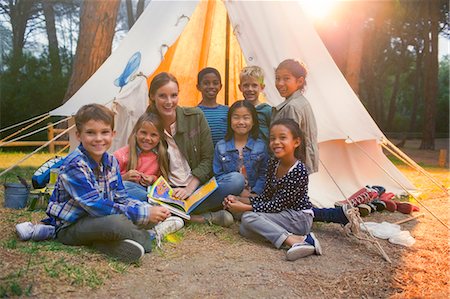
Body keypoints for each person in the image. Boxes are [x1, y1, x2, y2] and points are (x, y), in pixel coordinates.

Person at [44, 104, 183, 263]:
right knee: (117, 222)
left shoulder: (110, 161)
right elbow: (95, 206)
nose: (98, 139)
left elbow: (121, 198)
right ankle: (151, 236)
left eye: (104, 132)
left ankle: (108, 245)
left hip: (99, 221)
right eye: (90, 133)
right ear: (78, 135)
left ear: (113, 134)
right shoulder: (75, 165)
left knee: (141, 213)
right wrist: (142, 214)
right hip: (71, 226)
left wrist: (147, 209)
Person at [146, 72, 244, 227]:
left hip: (196, 188)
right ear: (152, 96)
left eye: (173, 95)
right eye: (162, 96)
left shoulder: (195, 116)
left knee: (236, 180)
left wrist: (189, 188)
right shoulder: (147, 123)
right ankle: (200, 217)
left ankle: (174, 212)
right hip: (167, 192)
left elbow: (208, 157)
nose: (169, 101)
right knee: (130, 189)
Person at [224, 118, 321, 261]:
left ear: (296, 142)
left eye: (282, 138)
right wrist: (238, 199)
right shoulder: (273, 163)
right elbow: (266, 197)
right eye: (272, 138)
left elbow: (277, 205)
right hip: (282, 214)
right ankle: (290, 237)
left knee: (248, 217)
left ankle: (297, 240)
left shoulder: (299, 170)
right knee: (245, 229)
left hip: (299, 218)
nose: (276, 142)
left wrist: (244, 207)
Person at [213, 100, 268, 199]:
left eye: (246, 118)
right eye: (236, 117)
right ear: (230, 121)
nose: (241, 122)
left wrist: (254, 194)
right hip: (228, 196)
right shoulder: (221, 146)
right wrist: (237, 190)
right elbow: (218, 176)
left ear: (253, 121)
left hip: (254, 197)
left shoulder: (260, 146)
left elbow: (264, 174)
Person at [272, 59, 318, 174]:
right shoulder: (302, 102)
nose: (280, 83)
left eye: (286, 78)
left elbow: (289, 144)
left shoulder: (292, 107)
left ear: (300, 81)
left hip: (292, 168)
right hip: (302, 165)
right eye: (277, 78)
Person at [114, 112, 169, 202]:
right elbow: (108, 182)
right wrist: (124, 177)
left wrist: (152, 179)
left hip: (147, 192)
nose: (147, 138)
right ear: (136, 133)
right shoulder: (121, 155)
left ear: (160, 138)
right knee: (126, 186)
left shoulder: (160, 156)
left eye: (153, 135)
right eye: (143, 133)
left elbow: (163, 182)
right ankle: (152, 203)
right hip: (127, 192)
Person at [238, 66, 272, 144]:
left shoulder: (267, 110)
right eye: (246, 85)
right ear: (240, 87)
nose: (250, 89)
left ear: (262, 87)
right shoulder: (237, 110)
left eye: (254, 85)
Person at [196, 67, 229, 146]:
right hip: (203, 157)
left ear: (220, 86)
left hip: (225, 156)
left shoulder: (228, 111)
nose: (211, 86)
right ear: (198, 87)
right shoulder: (194, 113)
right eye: (206, 83)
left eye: (215, 83)